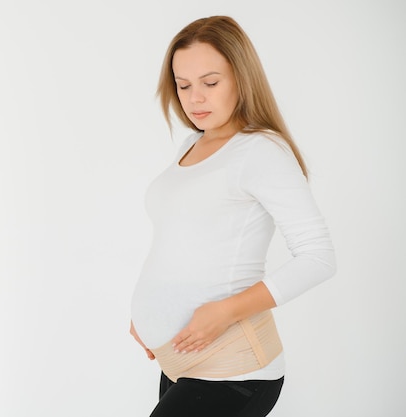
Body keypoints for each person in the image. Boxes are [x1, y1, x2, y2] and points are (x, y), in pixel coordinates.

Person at [129, 15, 336, 416]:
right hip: (178, 364)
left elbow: (318, 257)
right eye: (183, 85)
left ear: (242, 78)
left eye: (210, 82)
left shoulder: (260, 151)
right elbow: (179, 240)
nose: (195, 98)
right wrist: (147, 314)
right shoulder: (191, 145)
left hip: (234, 370)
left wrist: (222, 312)